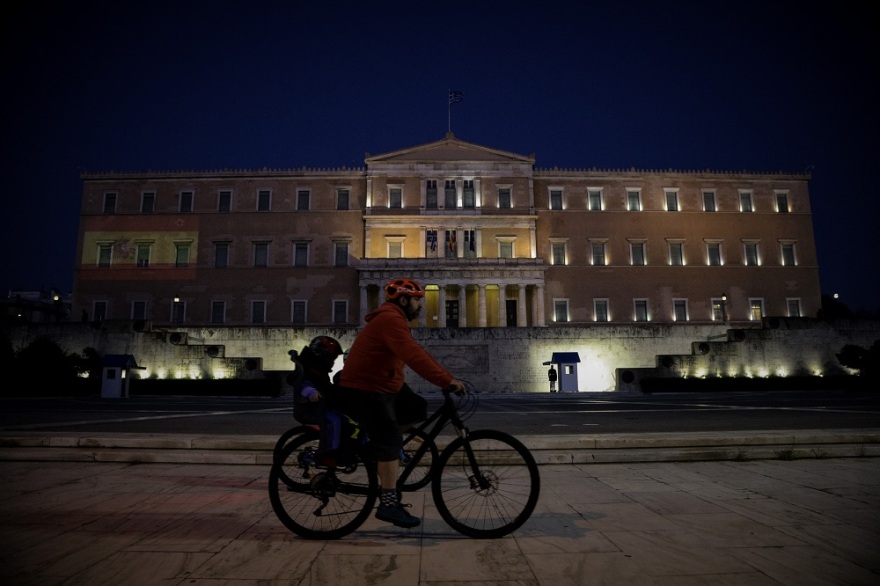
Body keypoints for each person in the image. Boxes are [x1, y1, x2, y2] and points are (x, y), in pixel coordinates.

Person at [334, 277, 465, 528]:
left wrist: (444, 377)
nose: (420, 305)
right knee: (391, 440)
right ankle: (388, 504)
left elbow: (412, 353)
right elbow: (413, 355)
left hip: (383, 383)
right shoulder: (390, 320)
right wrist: (446, 380)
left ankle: (377, 448)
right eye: (417, 300)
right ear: (403, 300)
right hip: (365, 387)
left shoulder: (395, 319)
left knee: (416, 407)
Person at [292, 335, 343, 426]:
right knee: (337, 421)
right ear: (323, 356)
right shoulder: (310, 370)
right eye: (332, 358)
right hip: (315, 408)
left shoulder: (319, 370)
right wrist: (311, 392)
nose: (333, 362)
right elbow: (303, 384)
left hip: (323, 405)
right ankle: (333, 441)